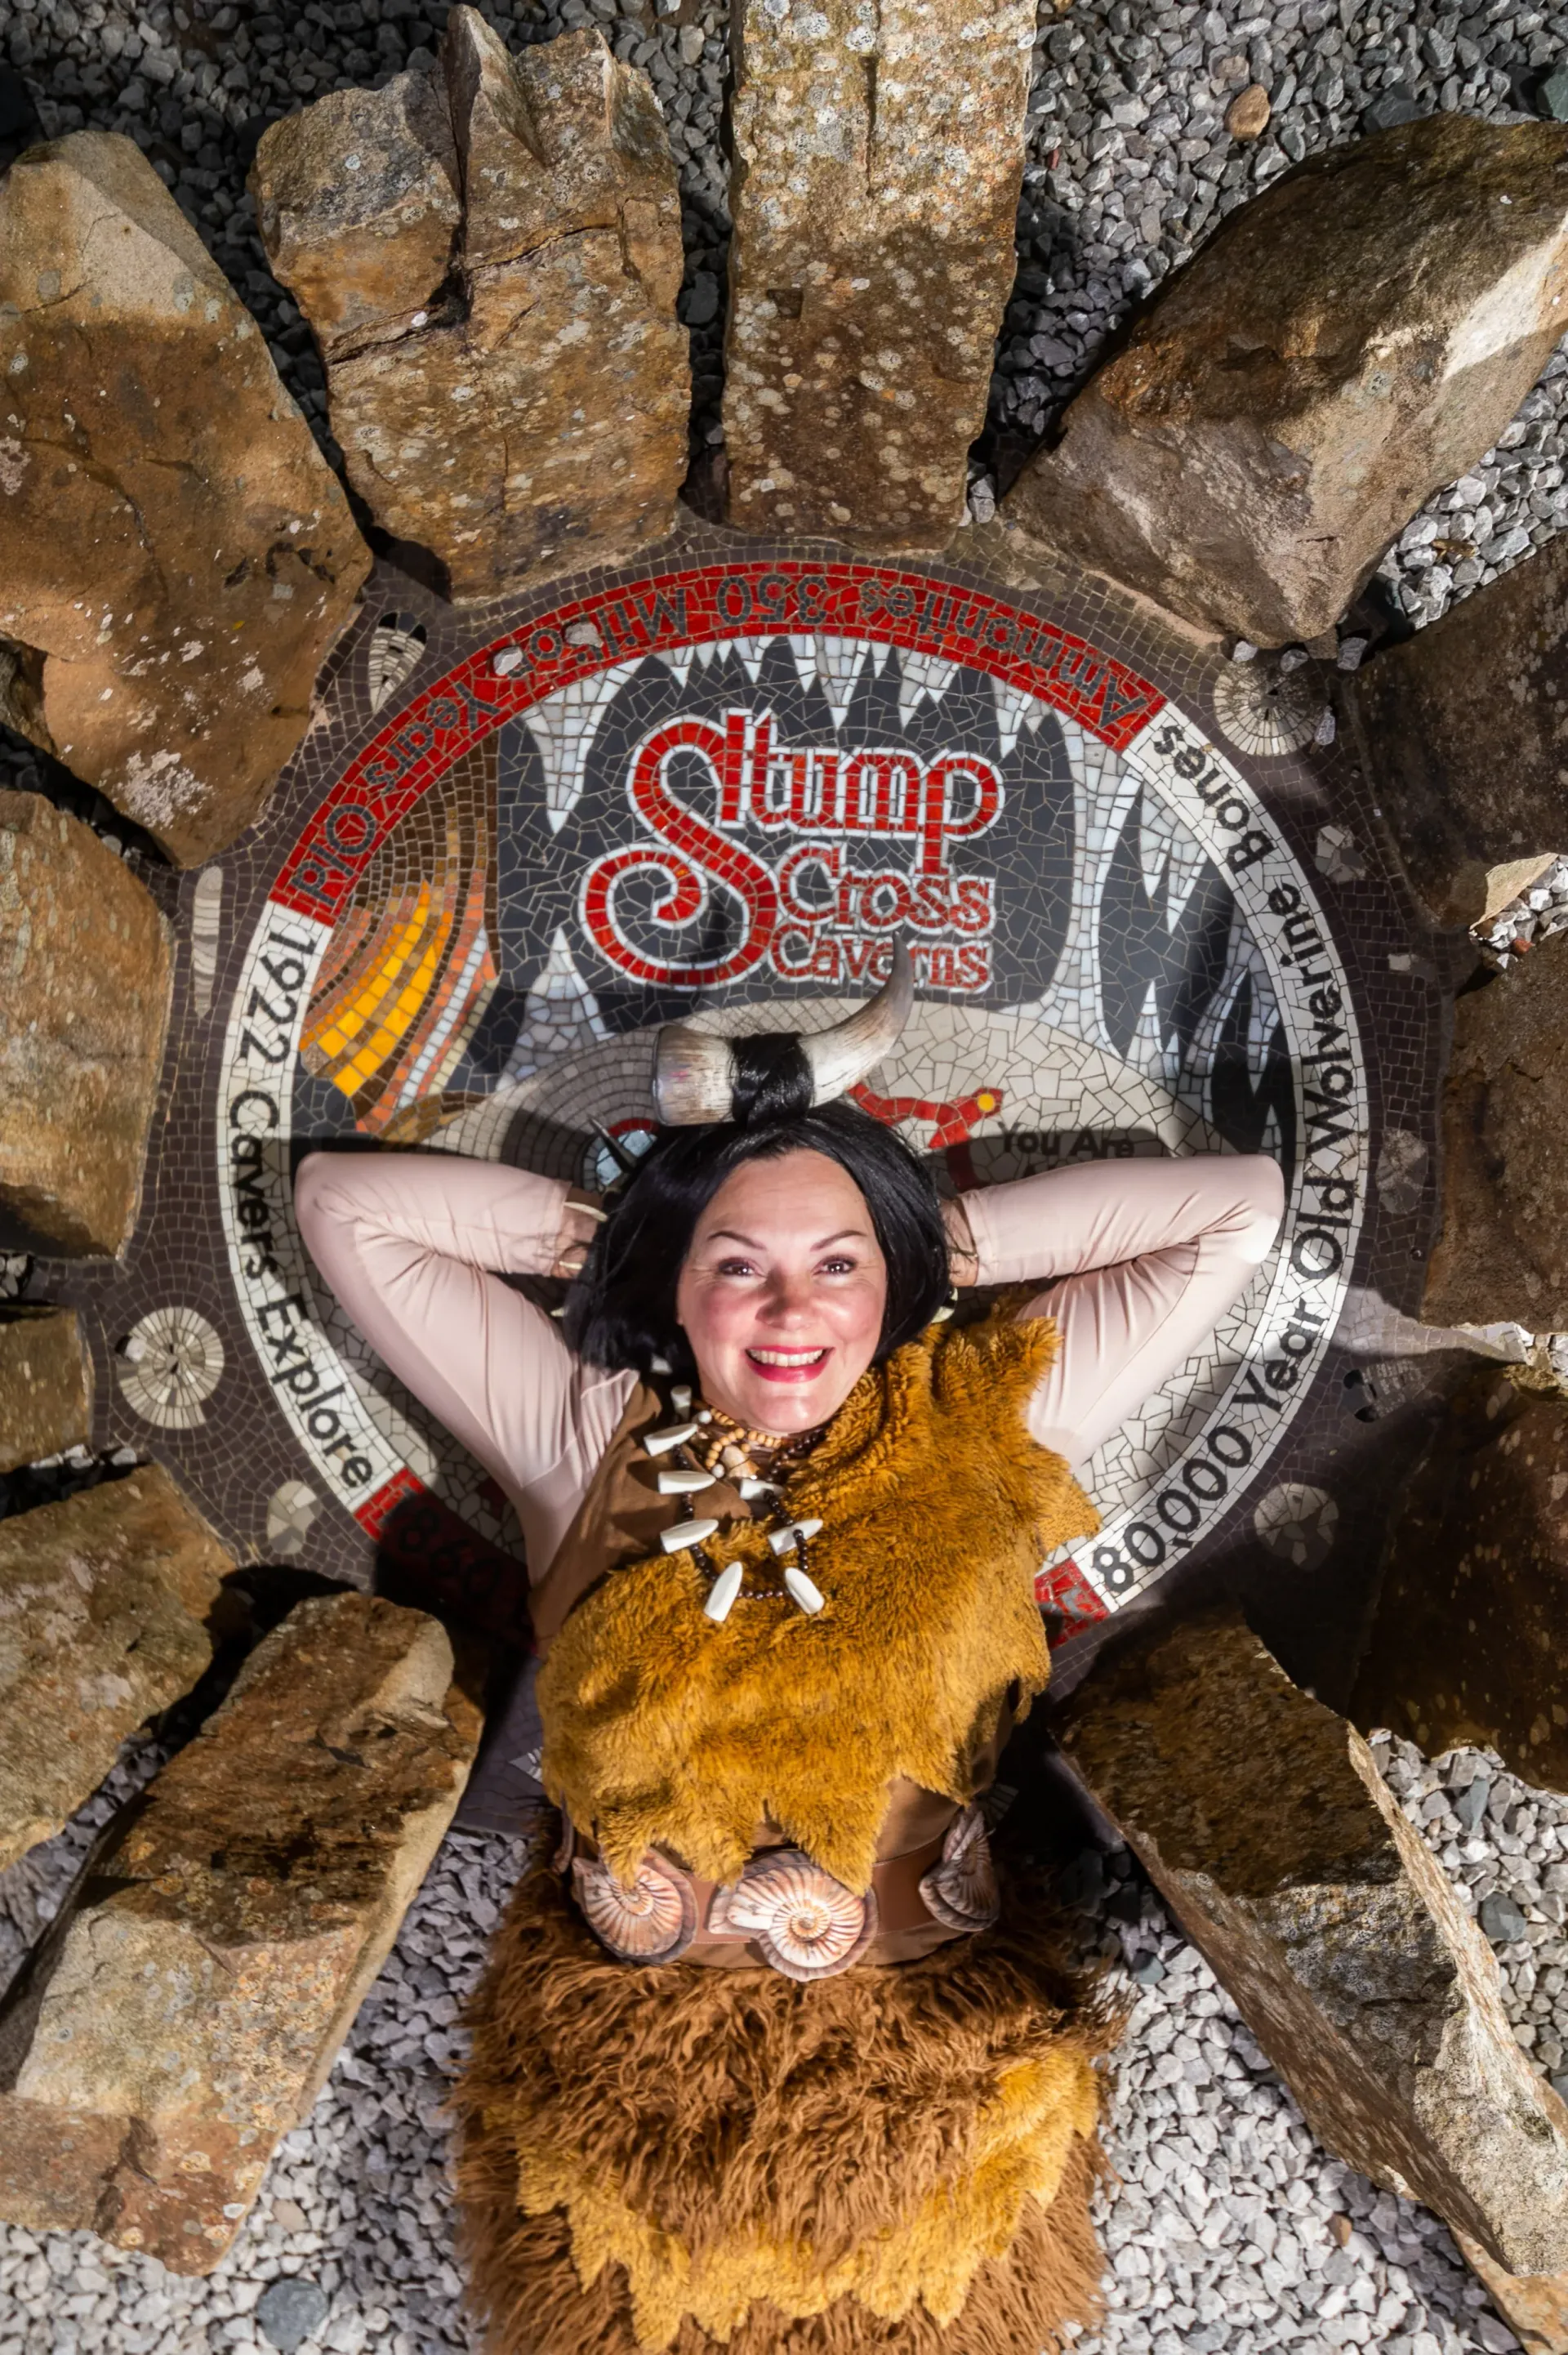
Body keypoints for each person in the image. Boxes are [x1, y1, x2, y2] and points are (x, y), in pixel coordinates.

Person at [294, 947, 1284, 2355]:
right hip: (626, 2090)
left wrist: (929, 1233)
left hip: (931, 2071)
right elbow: (347, 1208)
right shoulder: (584, 1437)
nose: (791, 1311)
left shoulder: (984, 1429)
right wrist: (630, 1226)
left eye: (837, 1265)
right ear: (682, 1292)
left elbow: (1234, 1215)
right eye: (737, 1268)